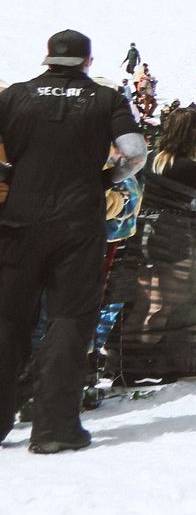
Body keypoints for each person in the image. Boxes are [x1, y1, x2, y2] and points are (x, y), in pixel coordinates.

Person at [0, 30, 149, 453]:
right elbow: (135, 152)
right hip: (80, 221)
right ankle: (54, 429)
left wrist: (9, 176)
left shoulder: (15, 96)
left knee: (8, 319)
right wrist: (106, 178)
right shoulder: (106, 99)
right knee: (69, 319)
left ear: (47, 58)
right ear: (87, 61)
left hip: (18, 222)